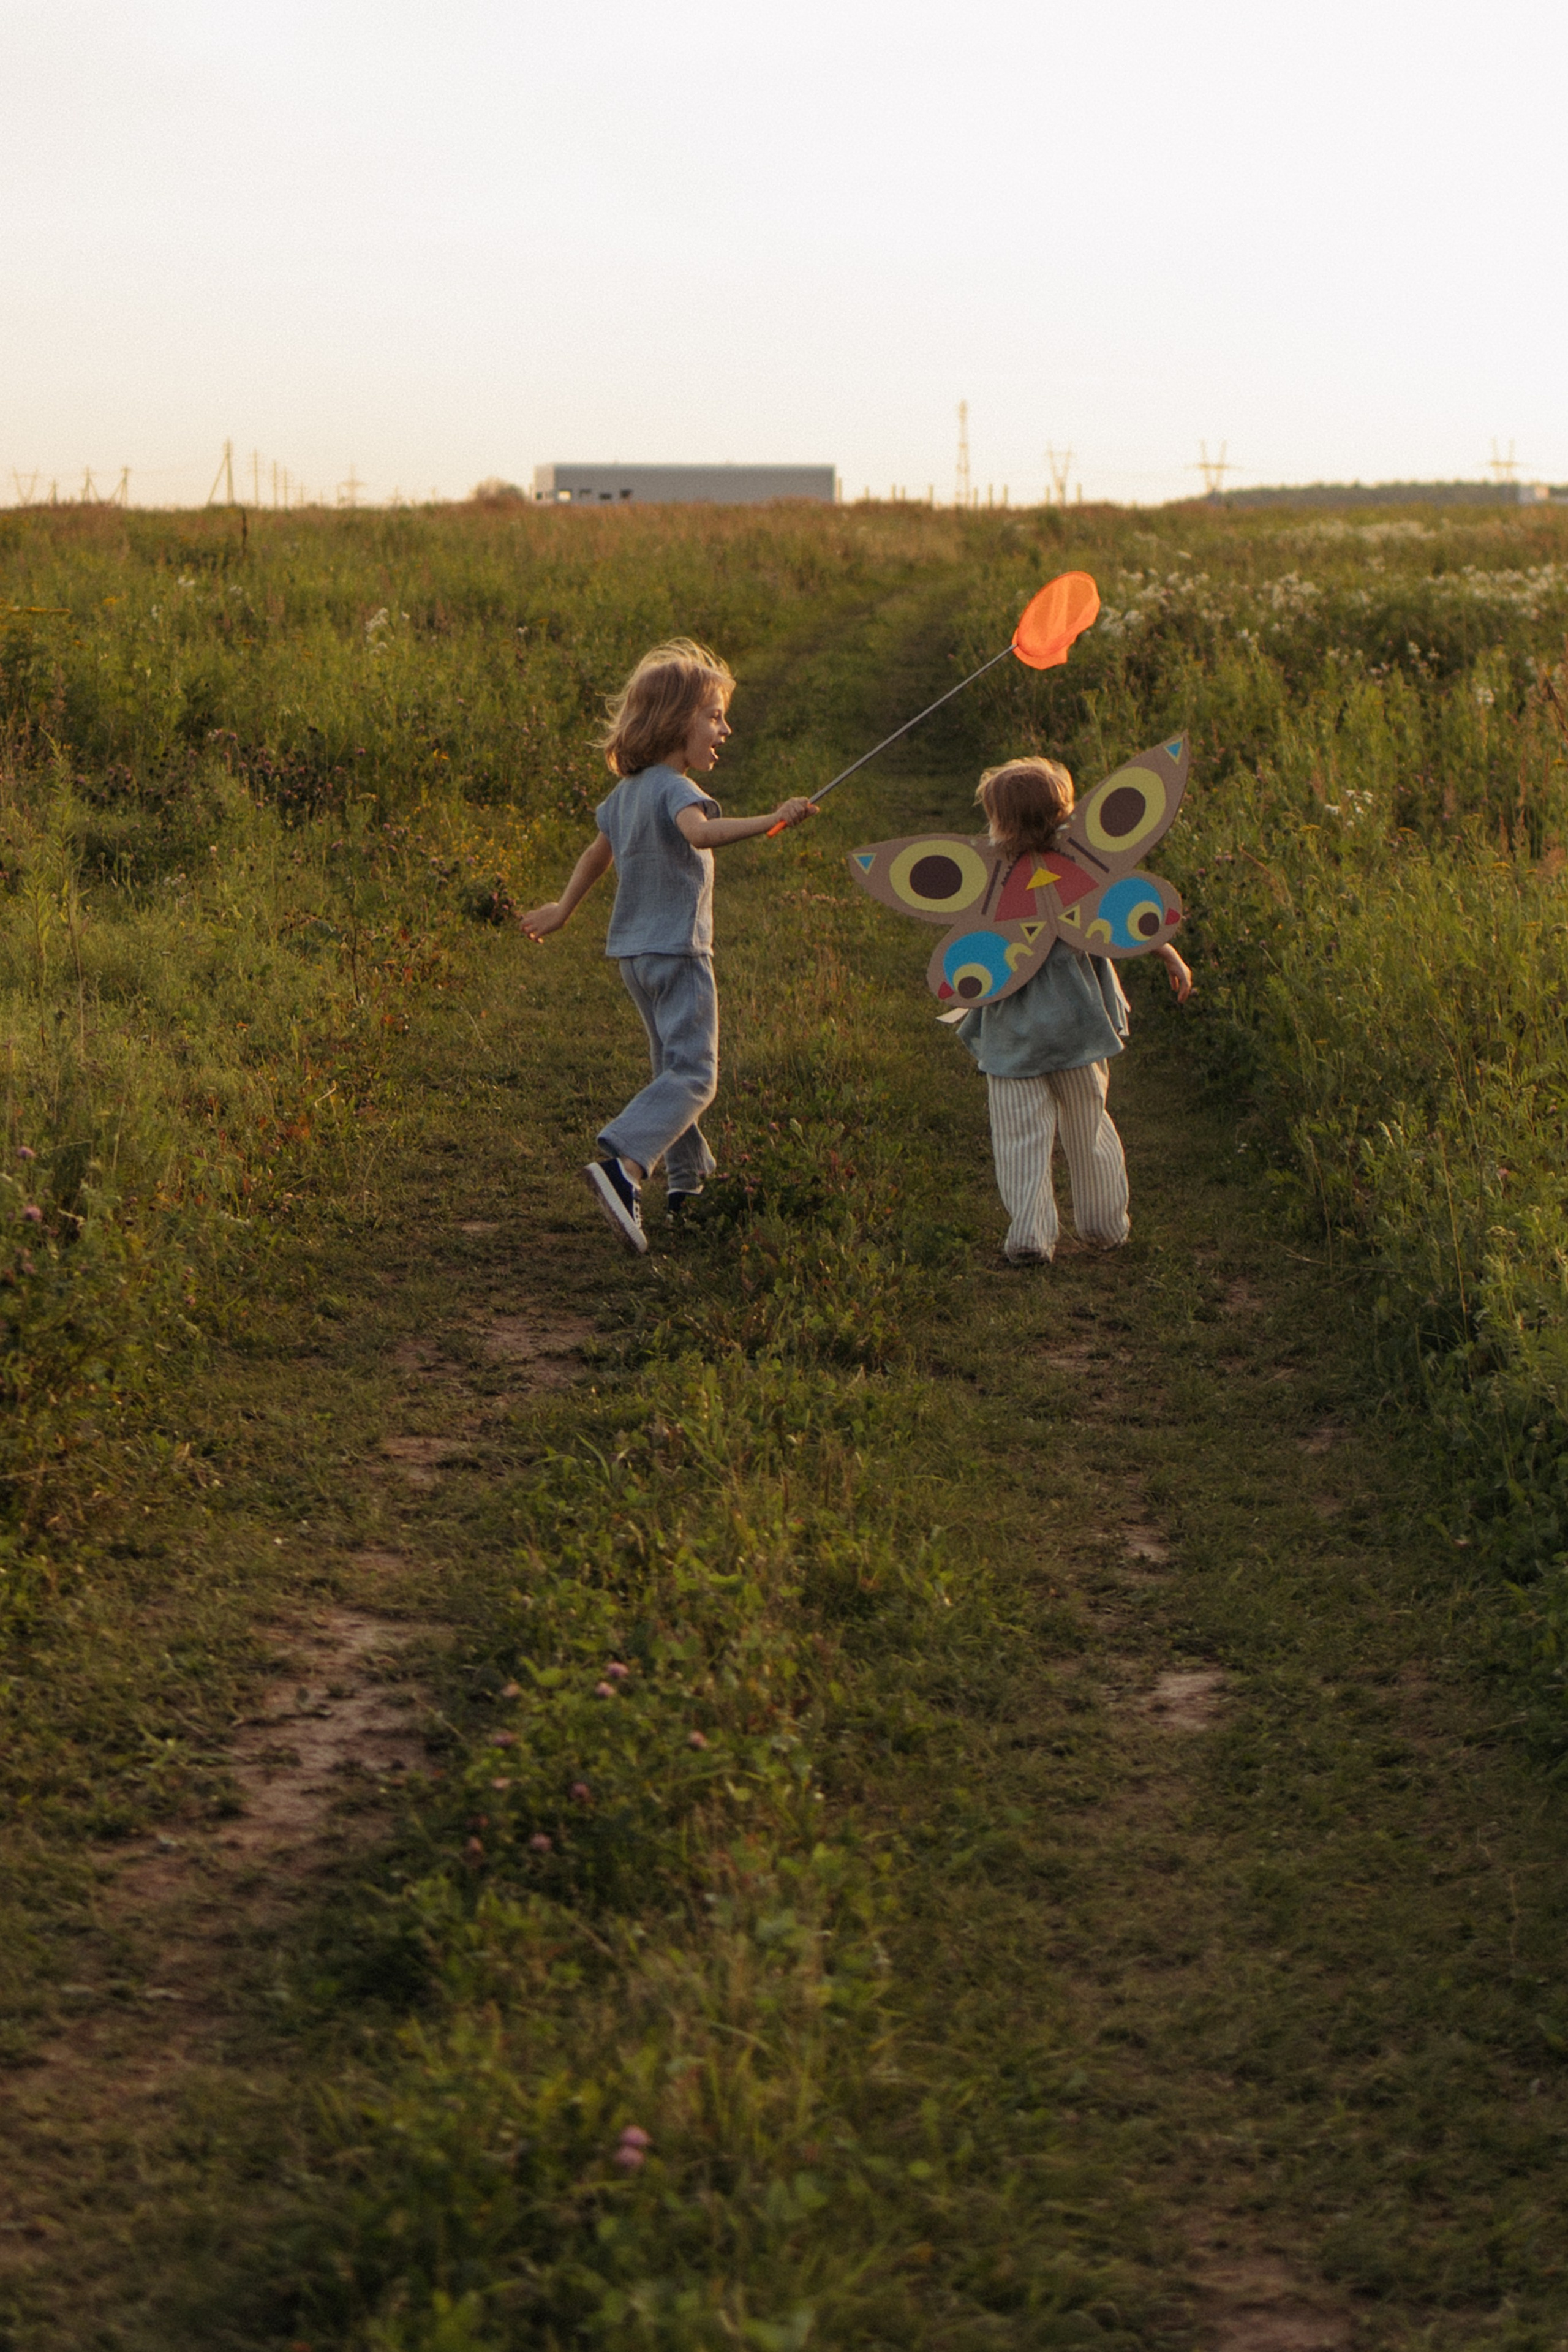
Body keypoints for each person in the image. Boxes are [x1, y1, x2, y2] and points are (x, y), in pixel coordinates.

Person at [519, 638, 815, 1254]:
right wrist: (773, 819)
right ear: (677, 721)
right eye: (714, 716)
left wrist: (563, 908)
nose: (725, 730)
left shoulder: (626, 793)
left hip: (634, 956)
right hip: (679, 952)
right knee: (696, 1075)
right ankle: (624, 1164)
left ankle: (687, 1183)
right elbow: (701, 834)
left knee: (670, 1069)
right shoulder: (675, 789)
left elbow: (596, 853)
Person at [955, 756, 1192, 1265]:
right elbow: (1124, 918)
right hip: (1077, 1027)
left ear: (1000, 823)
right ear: (1063, 814)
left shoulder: (991, 879)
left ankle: (1030, 1237)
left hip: (1013, 1037)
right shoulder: (1079, 874)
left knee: (1020, 1135)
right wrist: (1170, 954)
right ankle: (1104, 1225)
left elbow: (973, 948)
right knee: (1089, 1125)